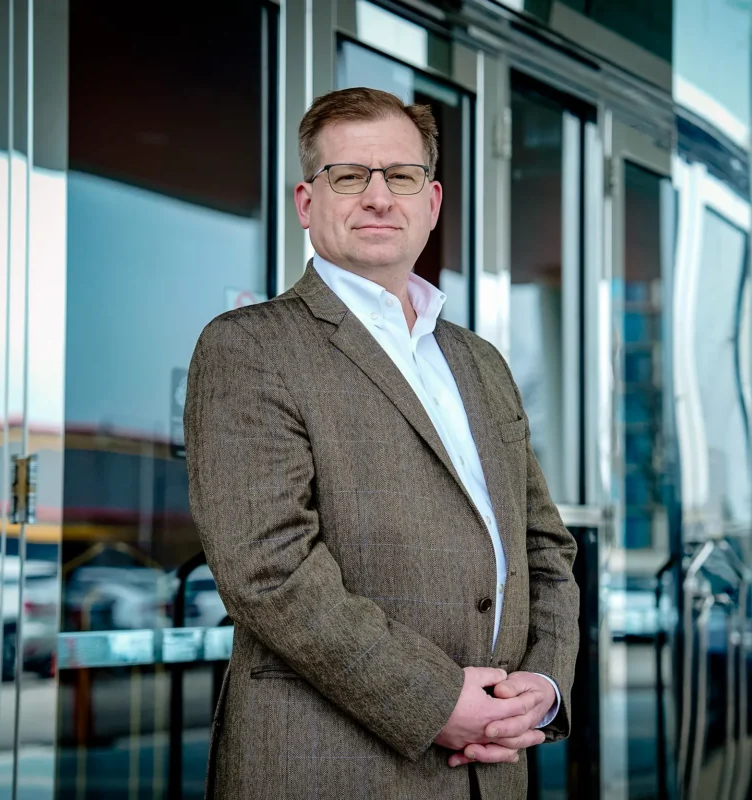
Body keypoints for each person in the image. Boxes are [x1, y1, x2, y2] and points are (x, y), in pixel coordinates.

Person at [184, 86, 580, 800]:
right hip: (328, 769)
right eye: (349, 176)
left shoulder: (480, 362)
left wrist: (543, 686)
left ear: (429, 204)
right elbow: (269, 573)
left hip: (490, 774)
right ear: (307, 203)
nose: (377, 197)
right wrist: (437, 703)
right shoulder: (249, 347)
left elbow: (545, 550)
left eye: (399, 176)